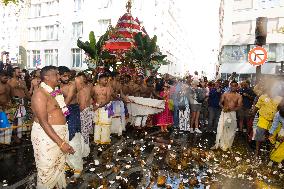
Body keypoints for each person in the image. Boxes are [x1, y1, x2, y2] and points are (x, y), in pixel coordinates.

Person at [31, 66, 74, 189]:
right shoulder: (40, 94)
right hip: (46, 136)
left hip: (59, 132)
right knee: (47, 169)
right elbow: (44, 122)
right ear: (46, 77)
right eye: (56, 74)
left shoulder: (55, 91)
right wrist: (61, 143)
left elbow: (61, 109)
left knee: (58, 165)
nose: (59, 77)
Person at [58, 66, 83, 177]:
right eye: (64, 76)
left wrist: (55, 111)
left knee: (73, 138)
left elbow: (67, 102)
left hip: (71, 111)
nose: (67, 78)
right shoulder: (57, 87)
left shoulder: (72, 85)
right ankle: (67, 164)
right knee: (63, 137)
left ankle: (77, 167)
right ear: (59, 76)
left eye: (68, 75)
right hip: (60, 112)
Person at [211, 80, 242, 151]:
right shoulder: (225, 94)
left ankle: (227, 145)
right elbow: (220, 103)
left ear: (237, 87)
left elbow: (239, 106)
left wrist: (231, 109)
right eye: (232, 85)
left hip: (232, 113)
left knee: (231, 130)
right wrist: (223, 107)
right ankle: (217, 145)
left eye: (235, 86)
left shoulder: (239, 96)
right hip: (224, 112)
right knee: (220, 128)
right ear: (230, 86)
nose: (233, 87)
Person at [254, 83, 283, 157]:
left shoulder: (280, 99)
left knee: (272, 137)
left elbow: (281, 110)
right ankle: (257, 152)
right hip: (263, 119)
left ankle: (271, 153)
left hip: (275, 121)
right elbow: (257, 107)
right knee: (259, 135)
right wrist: (252, 112)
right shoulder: (262, 97)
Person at [8, 67, 30, 141]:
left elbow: (26, 92)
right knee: (13, 119)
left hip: (23, 101)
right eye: (18, 72)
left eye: (20, 72)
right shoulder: (10, 81)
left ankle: (19, 135)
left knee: (22, 119)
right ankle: (13, 136)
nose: (20, 73)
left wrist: (31, 100)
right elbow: (8, 92)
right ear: (13, 73)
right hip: (14, 102)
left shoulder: (22, 81)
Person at [75, 72, 93, 158]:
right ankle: (85, 151)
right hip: (88, 111)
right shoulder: (88, 88)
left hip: (83, 113)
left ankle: (83, 152)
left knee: (82, 133)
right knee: (85, 133)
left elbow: (81, 106)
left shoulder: (82, 91)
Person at [92, 72, 112, 144]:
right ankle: (97, 140)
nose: (106, 81)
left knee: (105, 124)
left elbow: (108, 100)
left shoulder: (108, 88)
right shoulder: (94, 88)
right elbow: (91, 97)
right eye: (104, 80)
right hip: (97, 107)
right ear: (99, 80)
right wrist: (94, 105)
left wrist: (98, 106)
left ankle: (105, 141)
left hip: (105, 107)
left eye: (107, 80)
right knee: (97, 124)